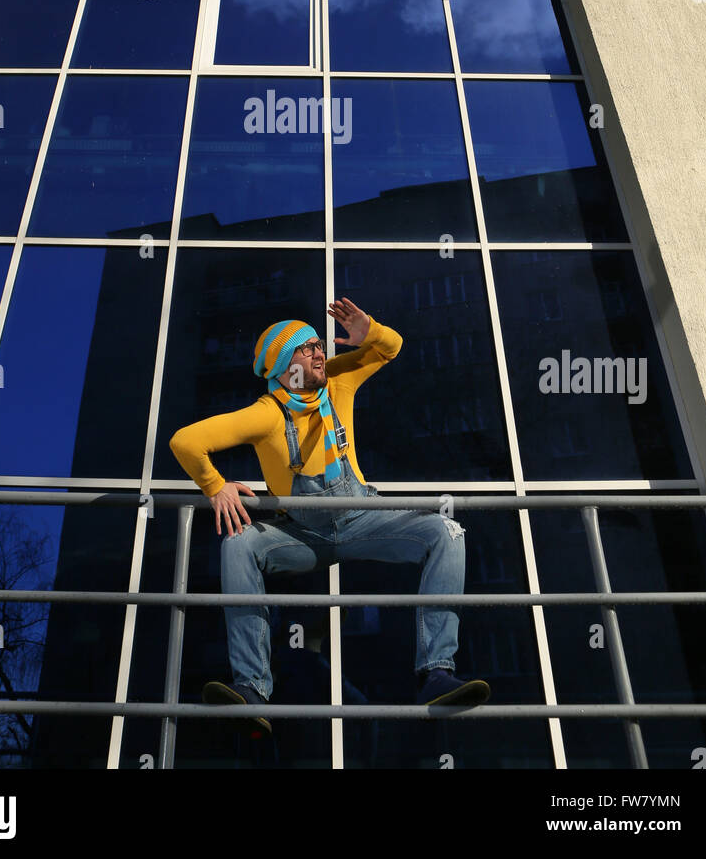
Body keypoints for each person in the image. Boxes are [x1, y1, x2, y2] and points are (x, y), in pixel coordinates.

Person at [169, 296, 490, 732]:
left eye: (319, 345)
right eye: (306, 348)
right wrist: (215, 485)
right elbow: (186, 442)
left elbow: (391, 347)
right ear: (283, 364)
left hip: (364, 519)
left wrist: (368, 331)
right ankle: (251, 689)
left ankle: (436, 672)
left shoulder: (338, 382)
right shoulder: (266, 413)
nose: (320, 353)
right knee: (239, 542)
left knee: (447, 531)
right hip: (304, 536)